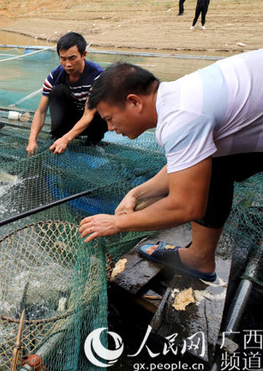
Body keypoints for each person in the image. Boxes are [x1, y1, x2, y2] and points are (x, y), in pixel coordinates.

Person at [79, 50, 263, 282]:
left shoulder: (181, 117)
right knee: (212, 161)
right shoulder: (178, 96)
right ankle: (199, 257)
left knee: (211, 172)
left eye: (110, 118)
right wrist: (136, 194)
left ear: (134, 102)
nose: (110, 128)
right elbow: (188, 163)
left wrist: (118, 223)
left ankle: (198, 256)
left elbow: (186, 207)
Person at [26, 32, 107, 156]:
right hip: (70, 120)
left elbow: (88, 115)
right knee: (58, 91)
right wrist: (32, 140)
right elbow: (41, 112)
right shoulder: (54, 76)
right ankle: (58, 136)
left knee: (103, 107)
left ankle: (92, 142)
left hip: (90, 122)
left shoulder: (97, 75)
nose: (67, 64)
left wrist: (66, 139)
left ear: (83, 55)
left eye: (72, 58)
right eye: (63, 59)